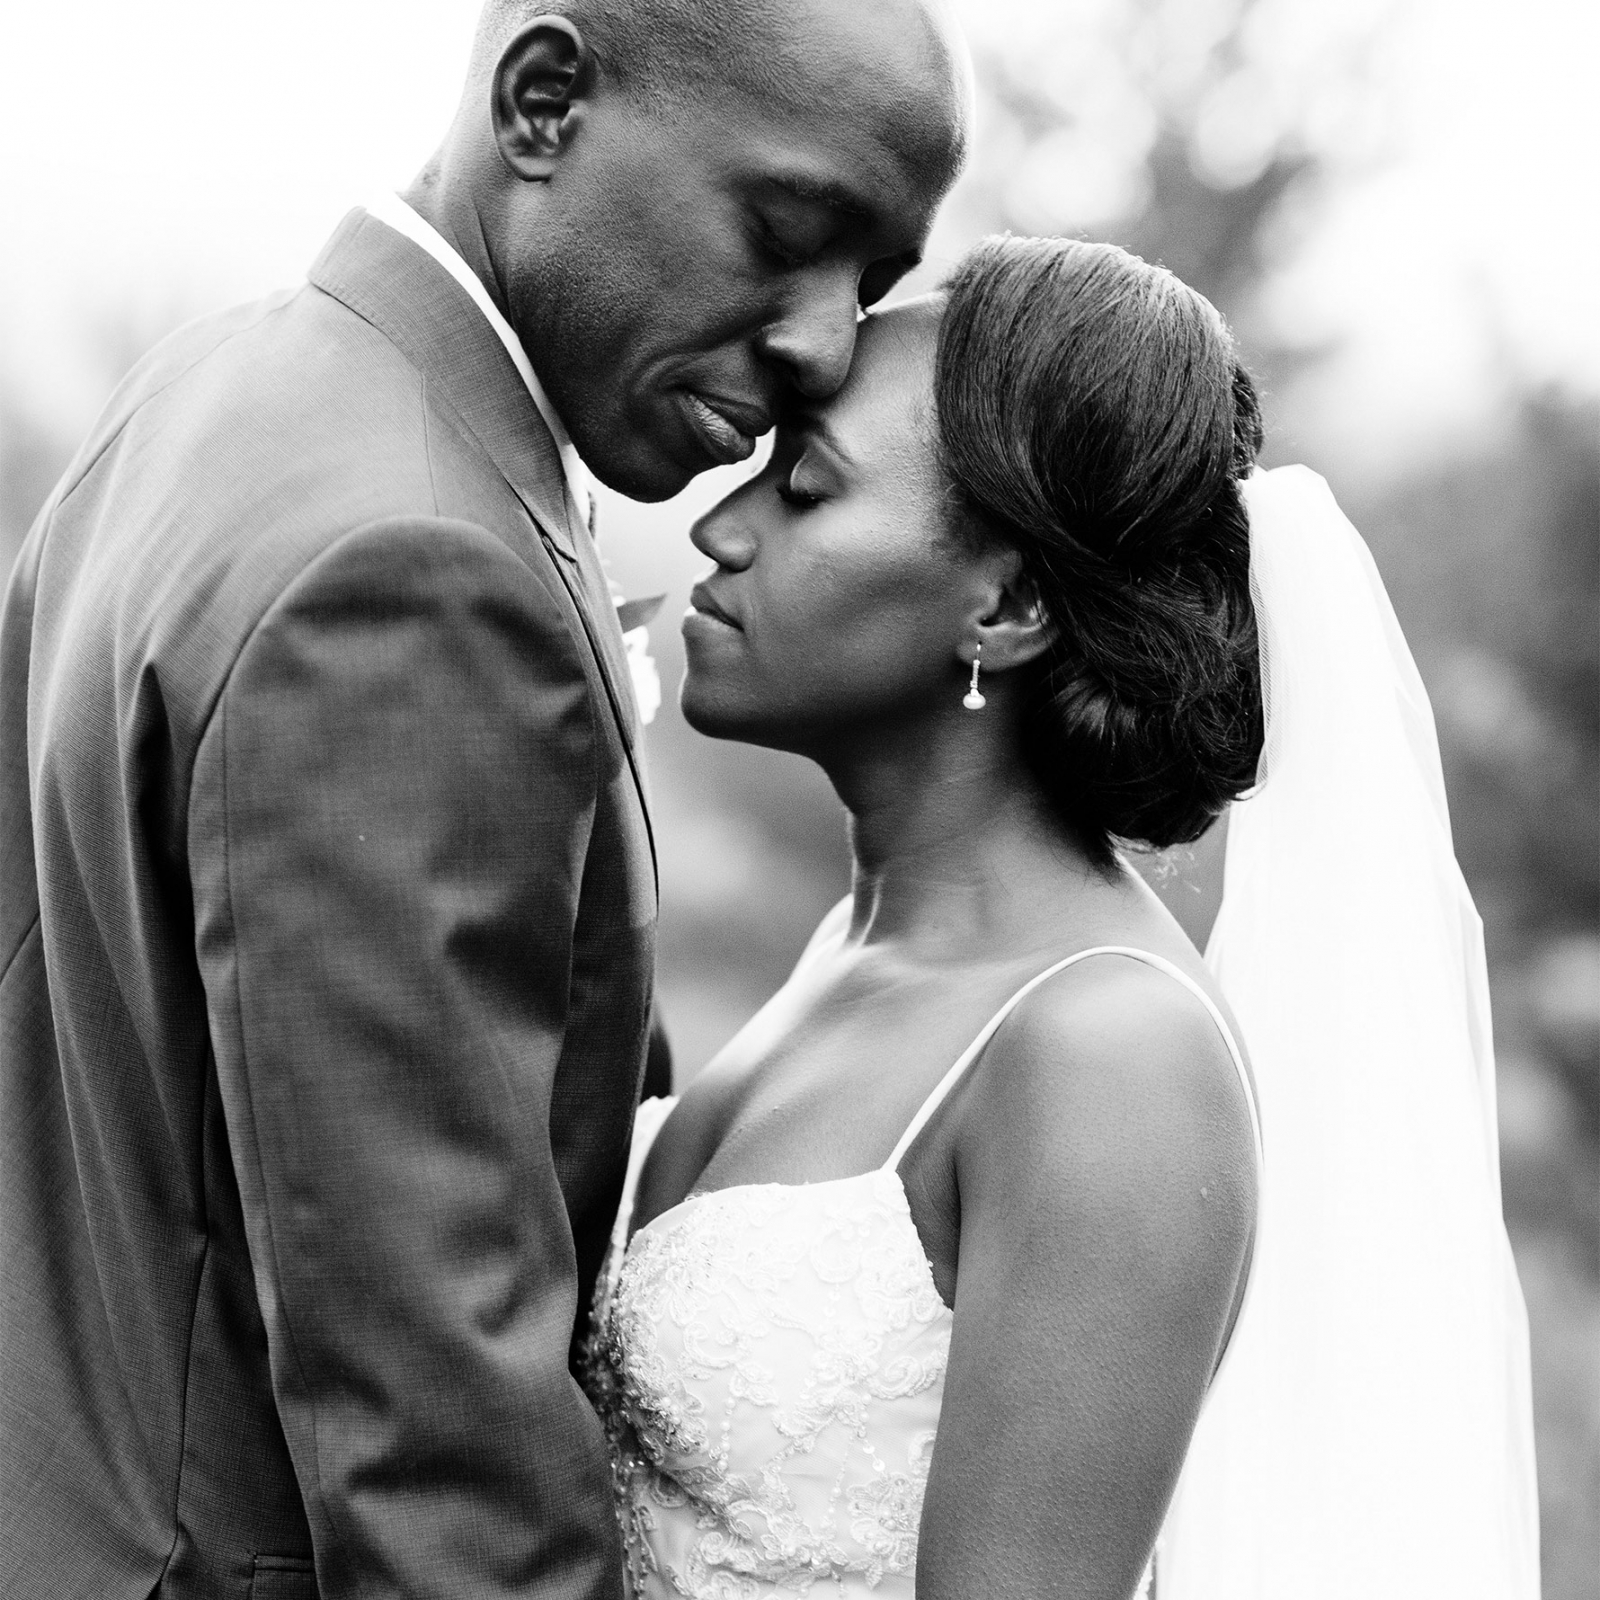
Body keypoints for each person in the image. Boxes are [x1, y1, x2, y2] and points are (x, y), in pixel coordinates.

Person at [0, 3, 968, 1597]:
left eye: (867, 285)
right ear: (542, 102)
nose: (822, 345)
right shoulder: (414, 568)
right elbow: (432, 1429)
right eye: (788, 233)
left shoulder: (223, 386)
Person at [585, 238, 1541, 1598]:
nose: (720, 529)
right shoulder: (849, 953)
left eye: (803, 488)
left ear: (1010, 603)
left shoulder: (1107, 1054)